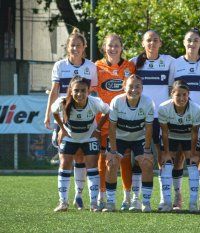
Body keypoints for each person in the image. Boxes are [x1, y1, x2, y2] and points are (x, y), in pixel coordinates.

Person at [44, 28, 97, 210]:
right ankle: (63, 201)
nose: (75, 48)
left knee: (81, 155)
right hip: (65, 119)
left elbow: (94, 93)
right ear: (67, 47)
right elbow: (54, 91)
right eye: (72, 45)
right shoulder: (59, 66)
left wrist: (94, 120)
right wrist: (47, 115)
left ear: (84, 47)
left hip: (84, 120)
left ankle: (79, 195)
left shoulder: (91, 67)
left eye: (79, 45)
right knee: (64, 157)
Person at [169, 28, 200, 211]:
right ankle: (178, 197)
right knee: (178, 159)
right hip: (180, 121)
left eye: (196, 40)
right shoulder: (176, 64)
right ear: (184, 42)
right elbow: (171, 90)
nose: (192, 43)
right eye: (189, 40)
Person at [130, 30, 174, 210]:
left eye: (155, 40)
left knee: (164, 156)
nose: (152, 43)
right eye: (148, 40)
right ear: (143, 43)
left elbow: (172, 86)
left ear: (160, 43)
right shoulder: (134, 62)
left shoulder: (170, 61)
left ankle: (165, 199)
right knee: (139, 158)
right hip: (140, 118)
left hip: (162, 118)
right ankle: (135, 199)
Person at [51, 76, 109, 212]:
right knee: (64, 164)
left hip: (89, 138)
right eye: (76, 90)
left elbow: (108, 112)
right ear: (70, 91)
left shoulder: (95, 102)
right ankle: (63, 202)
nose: (80, 94)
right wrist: (62, 129)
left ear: (88, 91)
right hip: (70, 138)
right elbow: (54, 112)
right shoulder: (62, 102)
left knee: (92, 167)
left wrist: (98, 129)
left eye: (83, 91)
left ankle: (94, 204)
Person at [94, 33, 135, 211]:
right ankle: (101, 197)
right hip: (103, 121)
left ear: (122, 47)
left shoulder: (129, 66)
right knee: (104, 159)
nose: (113, 48)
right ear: (104, 48)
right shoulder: (96, 66)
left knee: (124, 159)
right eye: (110, 45)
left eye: (117, 45)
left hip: (124, 122)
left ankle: (127, 197)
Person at [103, 74, 155, 212]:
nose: (134, 89)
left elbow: (149, 128)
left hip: (139, 138)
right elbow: (112, 128)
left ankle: (146, 203)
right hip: (119, 138)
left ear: (142, 88)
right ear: (124, 87)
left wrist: (147, 151)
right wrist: (113, 152)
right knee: (112, 163)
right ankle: (110, 202)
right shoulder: (116, 101)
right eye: (130, 86)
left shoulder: (148, 102)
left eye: (137, 86)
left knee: (147, 163)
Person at [158, 80, 200, 212]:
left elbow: (195, 133)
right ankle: (166, 201)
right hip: (171, 136)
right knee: (166, 164)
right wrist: (166, 152)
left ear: (188, 95)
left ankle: (193, 203)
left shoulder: (196, 109)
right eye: (178, 95)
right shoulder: (164, 108)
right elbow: (165, 132)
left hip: (188, 137)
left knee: (193, 164)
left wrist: (193, 153)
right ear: (172, 94)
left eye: (185, 95)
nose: (182, 98)